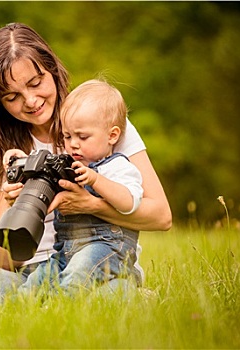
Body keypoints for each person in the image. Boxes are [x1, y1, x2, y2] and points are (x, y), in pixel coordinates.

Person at [0, 23, 171, 302]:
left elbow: (162, 216)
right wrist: (12, 208)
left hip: (99, 266)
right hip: (34, 273)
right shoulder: (3, 150)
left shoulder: (98, 121)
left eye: (35, 82)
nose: (30, 100)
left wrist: (90, 205)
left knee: (110, 296)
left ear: (51, 70)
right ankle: (42, 302)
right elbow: (4, 263)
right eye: (12, 97)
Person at [8, 79, 144, 296]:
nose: (73, 144)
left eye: (82, 137)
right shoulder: (70, 167)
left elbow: (129, 203)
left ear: (112, 135)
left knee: (76, 277)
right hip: (65, 251)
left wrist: (95, 180)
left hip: (107, 248)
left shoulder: (118, 166)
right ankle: (21, 312)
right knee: (37, 282)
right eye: (67, 136)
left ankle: (59, 313)